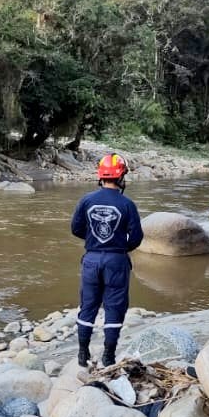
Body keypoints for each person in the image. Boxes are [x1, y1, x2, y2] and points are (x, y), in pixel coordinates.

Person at [70, 153, 144, 370]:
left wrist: (94, 241)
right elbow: (137, 237)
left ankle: (83, 355)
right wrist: (120, 246)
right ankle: (108, 357)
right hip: (116, 261)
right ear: (121, 177)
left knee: (88, 306)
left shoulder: (86, 200)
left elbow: (76, 229)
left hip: (91, 259)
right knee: (114, 307)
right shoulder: (127, 204)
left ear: (100, 176)